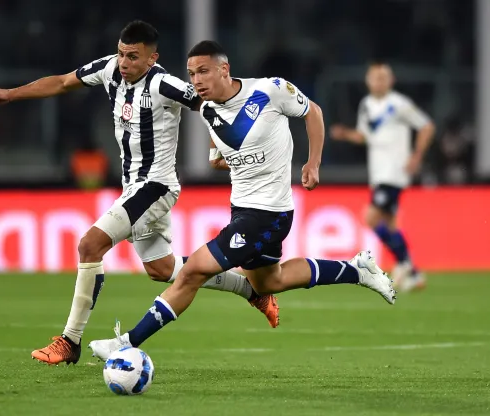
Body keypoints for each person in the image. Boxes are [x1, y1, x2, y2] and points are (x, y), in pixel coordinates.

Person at [0, 22, 279, 366]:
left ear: (152, 59)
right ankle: (253, 290)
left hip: (156, 186)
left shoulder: (164, 83)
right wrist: (9, 94)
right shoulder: (110, 68)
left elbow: (213, 105)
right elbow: (63, 82)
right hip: (133, 186)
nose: (123, 62)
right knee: (161, 268)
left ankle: (70, 340)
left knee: (90, 244)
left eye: (133, 56)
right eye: (122, 53)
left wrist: (219, 149)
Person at [88, 41, 396, 360]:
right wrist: (218, 157)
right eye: (192, 74)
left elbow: (313, 112)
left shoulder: (270, 91)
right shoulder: (207, 109)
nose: (196, 80)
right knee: (268, 282)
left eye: (204, 71)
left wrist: (312, 162)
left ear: (225, 69)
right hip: (242, 209)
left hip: (268, 213)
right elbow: (222, 149)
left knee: (194, 271)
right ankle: (358, 270)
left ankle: (126, 342)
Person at [330, 62, 435, 293]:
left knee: (370, 217)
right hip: (378, 173)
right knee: (389, 224)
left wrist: (417, 156)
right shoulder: (366, 105)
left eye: (383, 77)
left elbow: (426, 126)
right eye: (375, 77)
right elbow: (364, 136)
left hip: (395, 172)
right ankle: (412, 273)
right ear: (368, 81)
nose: (379, 81)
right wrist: (345, 134)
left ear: (391, 80)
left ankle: (405, 265)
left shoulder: (399, 104)